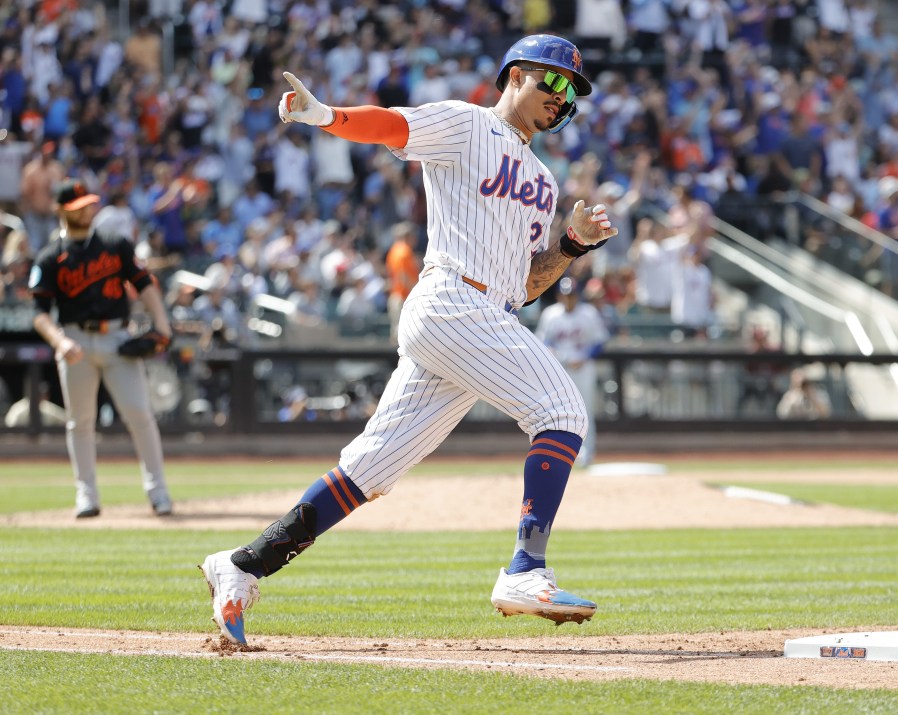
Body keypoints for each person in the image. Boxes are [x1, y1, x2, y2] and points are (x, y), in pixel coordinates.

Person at [199, 34, 618, 645]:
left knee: (370, 469)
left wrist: (574, 246)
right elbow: (392, 127)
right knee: (560, 411)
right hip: (453, 299)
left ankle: (242, 565)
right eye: (552, 81)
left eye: (572, 90)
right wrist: (326, 117)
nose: (562, 97)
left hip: (484, 313)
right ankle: (525, 569)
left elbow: (527, 283)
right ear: (516, 76)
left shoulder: (546, 183)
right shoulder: (467, 124)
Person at [27, 179, 175, 519]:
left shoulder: (114, 243)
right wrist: (60, 341)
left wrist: (162, 325)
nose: (87, 210)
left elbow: (144, 284)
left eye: (89, 204)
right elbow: (39, 314)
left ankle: (159, 493)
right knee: (80, 422)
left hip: (117, 338)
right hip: (75, 339)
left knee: (139, 413)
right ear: (62, 210)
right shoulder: (50, 256)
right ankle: (87, 496)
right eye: (79, 207)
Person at [534, 277, 609, 468]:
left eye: (572, 295)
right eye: (566, 295)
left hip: (583, 367)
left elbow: (600, 341)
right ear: (560, 296)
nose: (569, 299)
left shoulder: (589, 314)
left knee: (586, 411)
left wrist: (584, 357)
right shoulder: (551, 314)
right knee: (557, 412)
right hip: (559, 369)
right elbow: (542, 342)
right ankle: (560, 454)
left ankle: (587, 454)